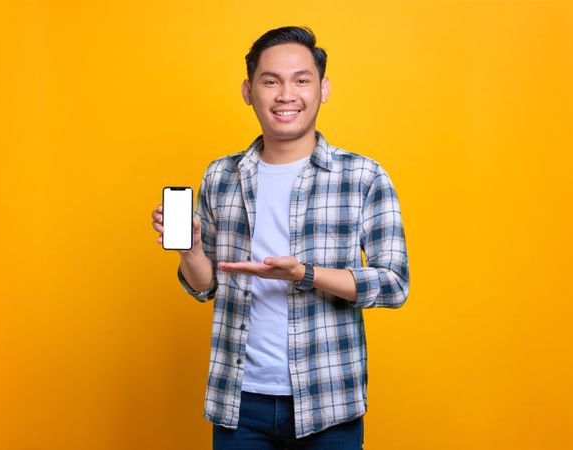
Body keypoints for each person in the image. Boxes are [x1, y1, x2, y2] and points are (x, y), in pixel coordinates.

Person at [152, 26, 409, 450]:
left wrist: (305, 273)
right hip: (240, 402)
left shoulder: (363, 176)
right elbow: (204, 287)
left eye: (301, 80)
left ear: (323, 89)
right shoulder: (221, 176)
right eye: (270, 81)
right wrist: (190, 251)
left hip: (329, 401)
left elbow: (395, 285)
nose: (286, 94)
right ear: (248, 91)